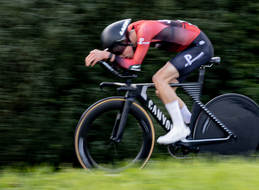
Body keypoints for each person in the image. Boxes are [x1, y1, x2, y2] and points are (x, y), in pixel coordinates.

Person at [84, 19, 214, 145]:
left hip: (199, 46)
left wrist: (107, 56)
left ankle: (180, 128)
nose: (120, 56)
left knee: (159, 79)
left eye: (118, 51)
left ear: (125, 41)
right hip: (190, 47)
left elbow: (134, 65)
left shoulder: (144, 30)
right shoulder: (134, 32)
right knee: (162, 91)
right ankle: (192, 124)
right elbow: (126, 64)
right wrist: (108, 58)